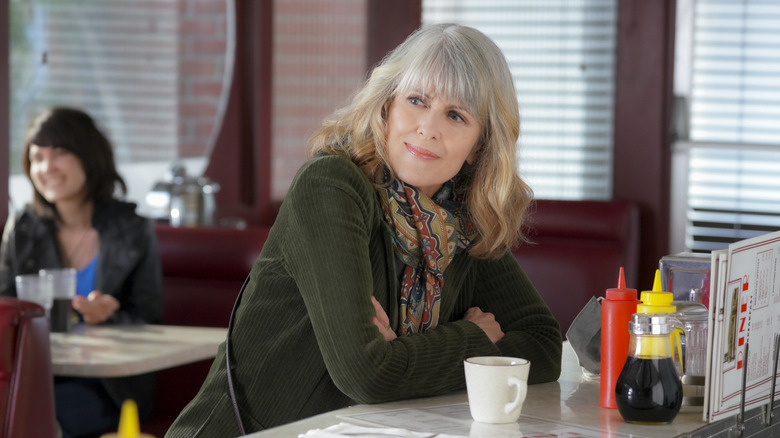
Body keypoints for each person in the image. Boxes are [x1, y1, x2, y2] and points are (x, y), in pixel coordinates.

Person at [166, 23, 562, 437]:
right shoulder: (331, 186)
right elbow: (368, 375)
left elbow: (544, 345)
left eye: (456, 115)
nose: (428, 127)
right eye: (416, 100)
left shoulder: (459, 221)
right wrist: (474, 339)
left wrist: (404, 355)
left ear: (479, 146)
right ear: (387, 105)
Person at [0, 107, 163, 438]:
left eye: (59, 154)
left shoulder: (132, 229)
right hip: (35, 375)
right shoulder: (23, 228)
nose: (47, 168)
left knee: (39, 417)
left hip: (111, 386)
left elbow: (148, 320)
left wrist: (106, 317)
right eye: (37, 158)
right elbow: (4, 308)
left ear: (89, 157)